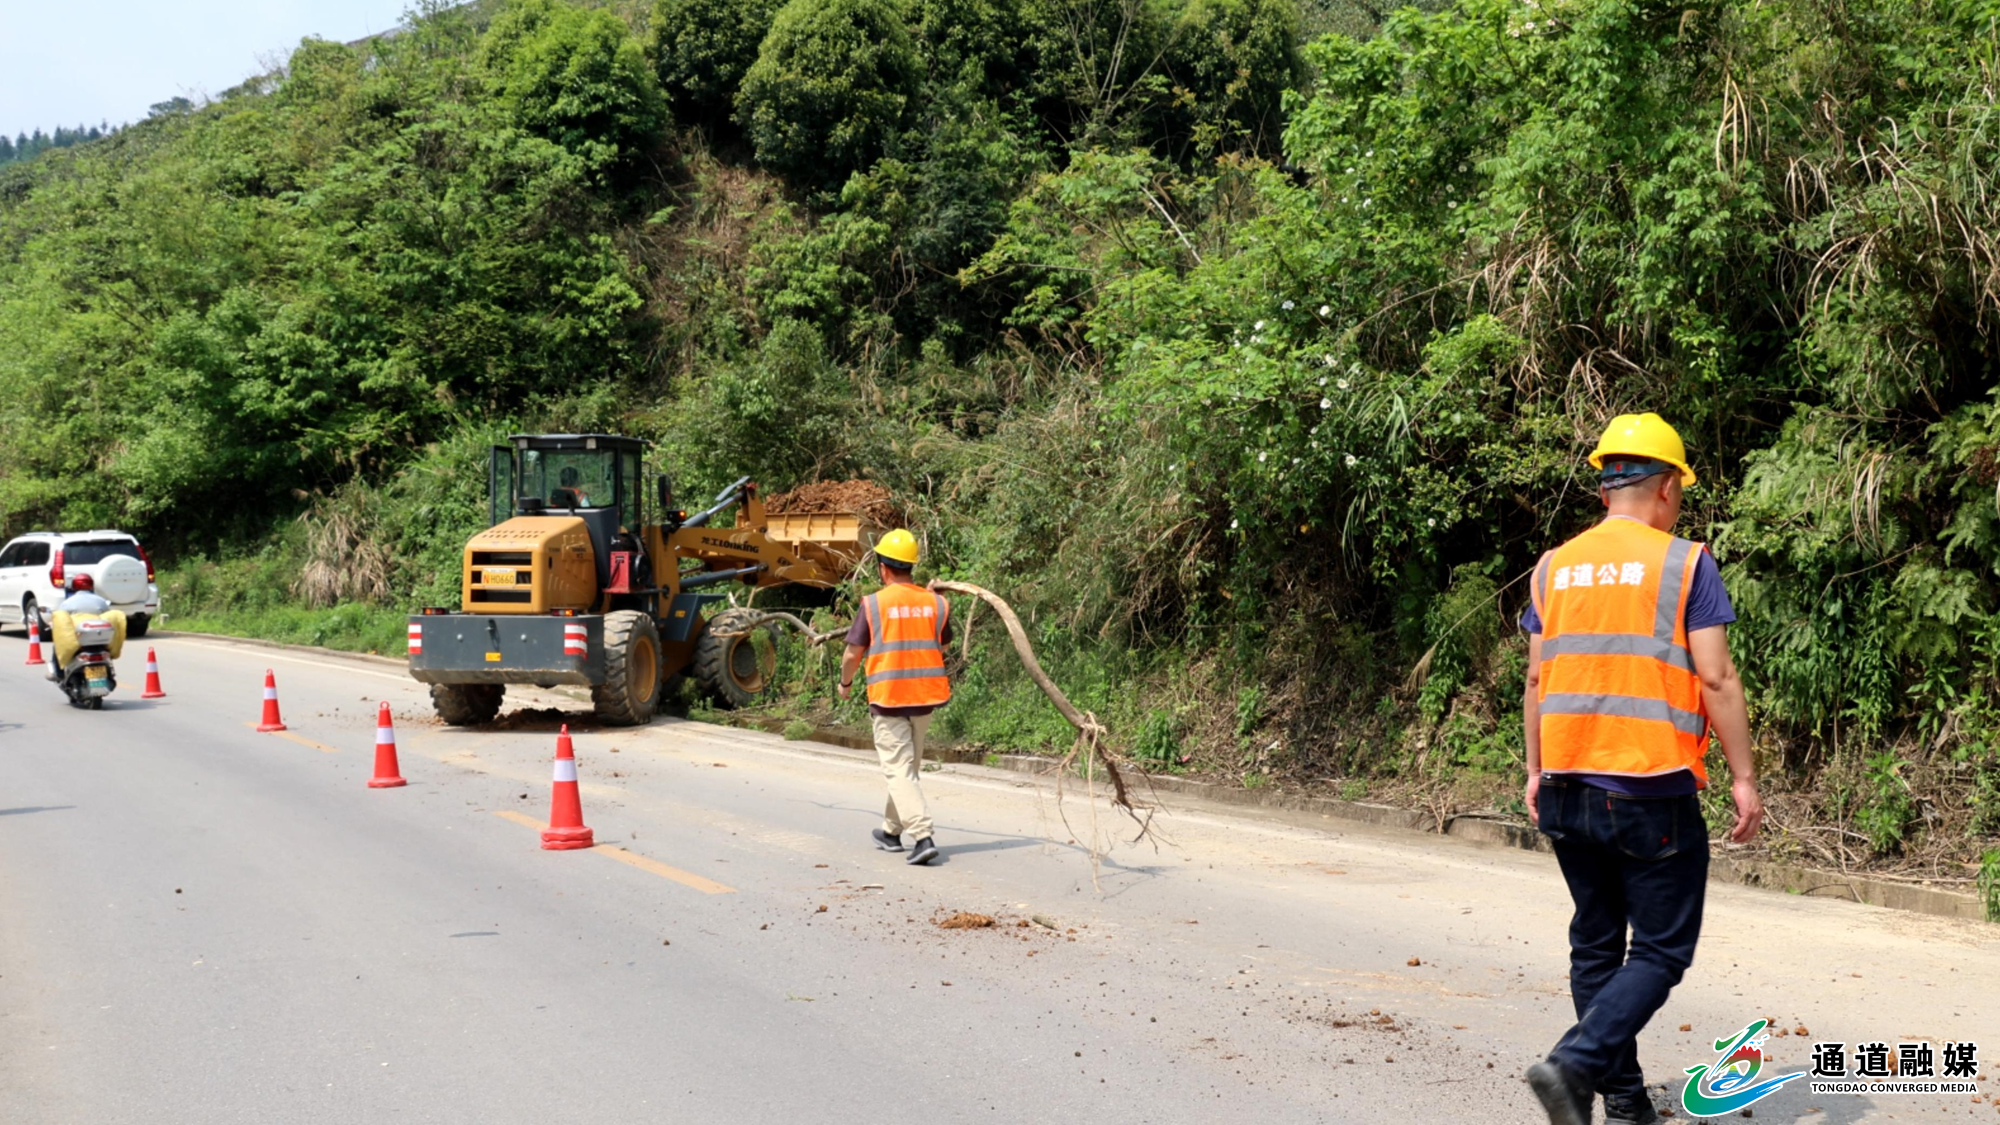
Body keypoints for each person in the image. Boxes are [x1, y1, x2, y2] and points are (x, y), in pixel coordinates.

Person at [1521, 413, 1764, 1125]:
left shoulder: (1552, 566)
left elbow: (1536, 682)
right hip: (1648, 789)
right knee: (1658, 949)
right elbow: (1716, 679)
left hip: (1564, 782)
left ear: (1606, 490)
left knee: (1596, 939)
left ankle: (1623, 1097)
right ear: (1664, 488)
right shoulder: (1685, 563)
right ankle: (1573, 1063)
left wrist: (1536, 769)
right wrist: (1744, 777)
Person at [838, 528, 951, 866]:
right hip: (924, 699)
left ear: (884, 569)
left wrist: (845, 684)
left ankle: (923, 836)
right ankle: (890, 831)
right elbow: (941, 644)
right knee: (907, 767)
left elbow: (852, 654)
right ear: (910, 567)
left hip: (889, 699)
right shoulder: (936, 602)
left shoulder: (874, 604)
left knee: (899, 770)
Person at [48, 574, 112, 680]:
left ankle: (59, 674)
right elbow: (108, 617)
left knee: (57, 647)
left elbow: (61, 620)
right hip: (100, 639)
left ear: (74, 586)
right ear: (91, 585)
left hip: (78, 638)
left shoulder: (68, 602)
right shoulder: (101, 601)